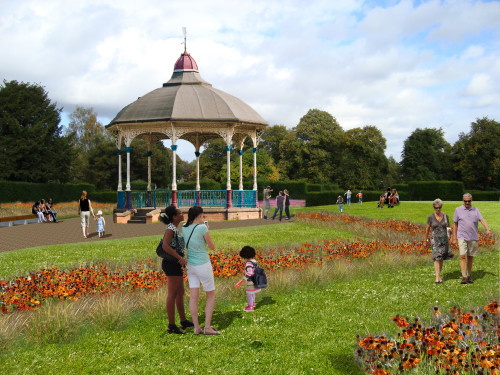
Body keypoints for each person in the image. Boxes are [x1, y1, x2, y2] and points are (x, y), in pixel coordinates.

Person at [182, 206, 220, 335]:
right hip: (203, 265)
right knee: (210, 295)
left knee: (193, 297)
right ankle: (207, 327)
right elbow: (212, 246)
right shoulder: (202, 228)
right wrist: (207, 230)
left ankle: (197, 327)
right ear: (199, 216)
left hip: (191, 266)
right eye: (202, 216)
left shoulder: (184, 227)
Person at [159, 206, 194, 334]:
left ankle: (183, 321)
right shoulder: (170, 229)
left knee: (180, 293)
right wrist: (180, 258)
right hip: (171, 264)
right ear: (174, 216)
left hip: (176, 264)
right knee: (172, 295)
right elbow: (165, 246)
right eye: (180, 213)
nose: (182, 214)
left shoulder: (174, 228)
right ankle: (171, 326)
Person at [451, 193, 492, 284]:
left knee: (470, 257)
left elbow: (482, 220)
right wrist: (453, 237)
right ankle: (464, 277)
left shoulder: (475, 210)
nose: (467, 203)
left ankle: (468, 276)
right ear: (463, 201)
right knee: (462, 256)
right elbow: (455, 224)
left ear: (471, 201)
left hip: (473, 237)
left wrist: (487, 229)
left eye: (469, 201)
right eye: (465, 201)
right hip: (462, 236)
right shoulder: (458, 210)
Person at [424, 199, 454, 284]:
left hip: (444, 240)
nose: (438, 209)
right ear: (434, 207)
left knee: (441, 258)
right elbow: (427, 229)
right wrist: (425, 240)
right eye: (436, 207)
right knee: (436, 257)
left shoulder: (445, 216)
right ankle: (437, 278)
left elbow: (449, 227)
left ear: (441, 207)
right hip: (435, 240)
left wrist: (452, 237)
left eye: (439, 207)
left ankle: (439, 276)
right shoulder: (430, 217)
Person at [237, 246, 261, 312]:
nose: (242, 260)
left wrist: (244, 278)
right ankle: (253, 303)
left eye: (243, 258)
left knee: (249, 293)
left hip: (251, 281)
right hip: (256, 279)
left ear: (245, 257)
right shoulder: (254, 261)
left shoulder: (248, 263)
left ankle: (250, 307)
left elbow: (249, 273)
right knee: (252, 292)